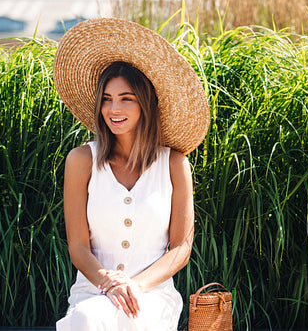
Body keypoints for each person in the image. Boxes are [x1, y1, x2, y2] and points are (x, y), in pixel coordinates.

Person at [53, 18, 210, 331]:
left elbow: (180, 248)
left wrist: (134, 286)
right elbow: (78, 247)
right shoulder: (81, 160)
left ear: (145, 104)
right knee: (87, 318)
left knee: (136, 323)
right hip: (93, 291)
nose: (114, 110)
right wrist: (109, 284)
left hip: (152, 294)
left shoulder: (175, 164)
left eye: (126, 99)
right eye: (107, 100)